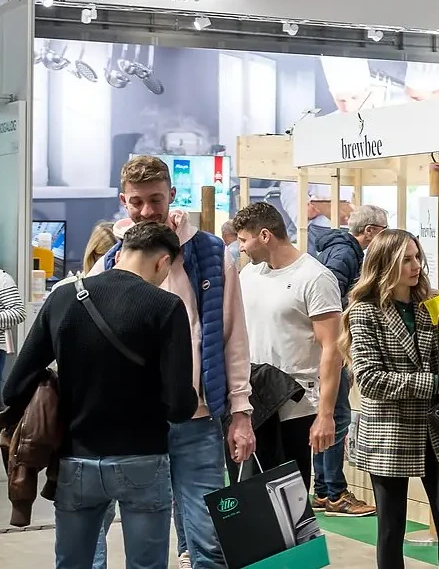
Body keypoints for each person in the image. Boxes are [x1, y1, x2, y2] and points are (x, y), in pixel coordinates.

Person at [91, 155, 254, 569]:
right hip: (131, 424)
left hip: (197, 421)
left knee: (207, 537)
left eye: (156, 200)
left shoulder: (211, 255)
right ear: (123, 201)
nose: (147, 211)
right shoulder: (108, 262)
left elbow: (232, 338)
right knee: (122, 527)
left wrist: (240, 413)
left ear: (172, 196)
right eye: (137, 202)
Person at [5, 222, 197, 569]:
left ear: (120, 253)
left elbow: (14, 387)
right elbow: (180, 406)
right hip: (143, 458)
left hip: (76, 460)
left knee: (73, 563)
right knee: (146, 565)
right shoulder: (166, 306)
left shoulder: (63, 297)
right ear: (162, 262)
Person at [343, 229, 439, 569]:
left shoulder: (435, 301)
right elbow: (369, 380)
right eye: (407, 260)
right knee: (391, 527)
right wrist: (430, 385)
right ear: (385, 264)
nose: (416, 266)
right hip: (389, 431)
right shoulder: (365, 311)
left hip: (438, 432)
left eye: (417, 257)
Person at [234, 202, 344, 486]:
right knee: (248, 498)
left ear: (265, 236)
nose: (242, 248)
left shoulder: (315, 278)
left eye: (244, 240)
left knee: (288, 502)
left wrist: (326, 415)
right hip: (251, 401)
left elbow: (332, 349)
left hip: (295, 404)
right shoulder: (248, 275)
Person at [310, 204, 387, 516]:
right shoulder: (345, 254)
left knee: (327, 418)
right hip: (333, 347)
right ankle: (334, 492)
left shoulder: (338, 250)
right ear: (368, 231)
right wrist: (344, 349)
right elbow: (332, 302)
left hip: (329, 346)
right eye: (381, 231)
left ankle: (323, 489)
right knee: (336, 417)